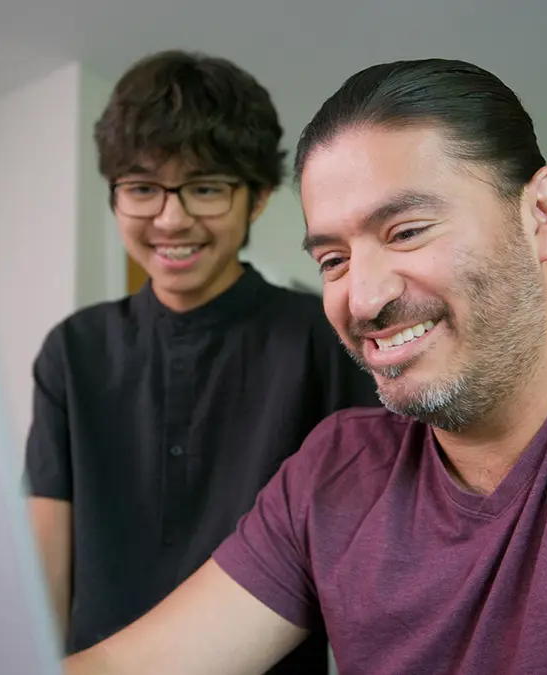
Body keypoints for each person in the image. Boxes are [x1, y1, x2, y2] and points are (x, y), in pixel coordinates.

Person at [61, 58, 547, 675]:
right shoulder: (331, 474)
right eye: (332, 259)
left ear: (541, 214)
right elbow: (136, 663)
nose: (361, 298)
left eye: (405, 231)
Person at [23, 50, 379, 674]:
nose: (171, 218)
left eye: (205, 188)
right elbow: (44, 565)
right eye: (141, 189)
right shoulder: (72, 351)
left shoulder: (322, 339)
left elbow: (367, 558)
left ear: (259, 197)